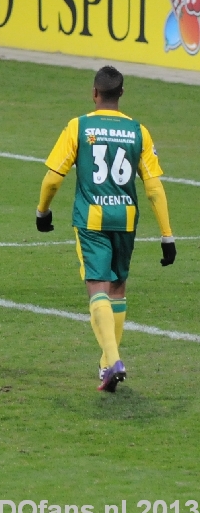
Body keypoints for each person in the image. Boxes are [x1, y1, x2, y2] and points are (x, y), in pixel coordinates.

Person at [36, 65, 176, 393]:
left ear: (94, 93)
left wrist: (42, 211)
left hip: (92, 221)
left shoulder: (79, 126)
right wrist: (167, 235)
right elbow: (154, 187)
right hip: (126, 220)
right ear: (121, 94)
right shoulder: (138, 131)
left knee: (97, 288)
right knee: (117, 291)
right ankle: (105, 364)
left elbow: (54, 177)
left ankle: (113, 360)